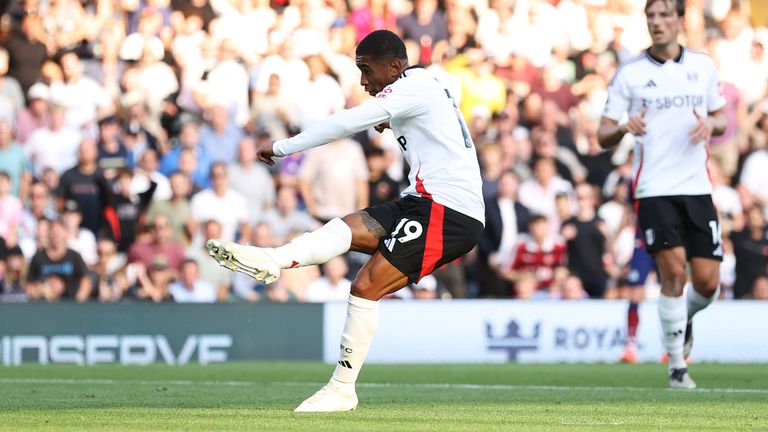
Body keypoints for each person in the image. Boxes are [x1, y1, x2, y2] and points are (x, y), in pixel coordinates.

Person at [206, 30, 484, 412]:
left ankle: (341, 389)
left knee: (366, 285)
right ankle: (273, 260)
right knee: (345, 227)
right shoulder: (424, 82)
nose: (363, 81)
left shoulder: (412, 89)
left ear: (395, 66)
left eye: (367, 70)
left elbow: (344, 123)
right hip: (421, 200)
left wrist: (283, 147)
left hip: (449, 211)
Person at [597, 0, 727, 389]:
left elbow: (721, 118)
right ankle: (676, 368)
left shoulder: (702, 66)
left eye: (664, 15)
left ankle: (683, 319)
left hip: (697, 189)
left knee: (707, 284)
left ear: (679, 21)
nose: (656, 22)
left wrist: (712, 124)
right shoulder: (630, 74)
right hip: (654, 189)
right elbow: (602, 134)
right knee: (673, 273)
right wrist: (623, 126)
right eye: (650, 16)